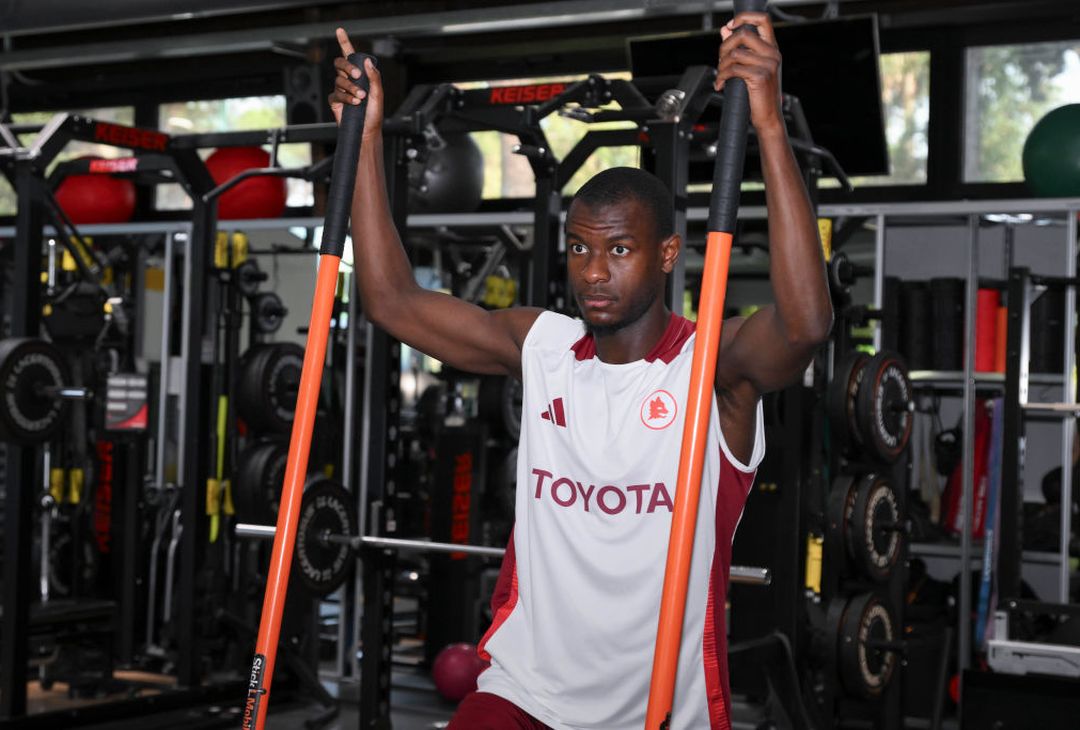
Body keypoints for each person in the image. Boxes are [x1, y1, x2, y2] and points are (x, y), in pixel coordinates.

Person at [329, 11, 831, 729]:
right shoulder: (545, 347)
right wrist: (369, 138)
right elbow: (391, 300)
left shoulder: (709, 370)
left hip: (662, 709)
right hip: (528, 692)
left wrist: (770, 128)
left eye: (620, 251)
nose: (594, 273)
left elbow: (806, 325)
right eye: (579, 249)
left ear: (666, 254)